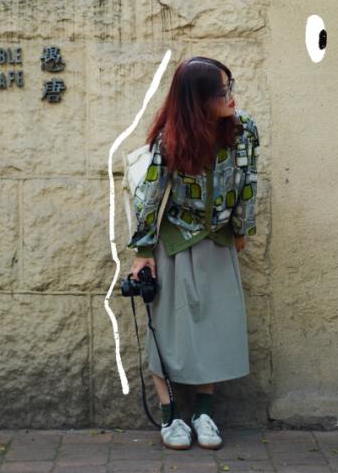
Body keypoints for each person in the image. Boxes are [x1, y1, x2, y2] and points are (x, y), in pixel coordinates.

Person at [127, 56, 260, 451]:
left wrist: (241, 230)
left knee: (215, 329)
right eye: (223, 91)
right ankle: (170, 418)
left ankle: (204, 414)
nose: (232, 97)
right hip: (173, 244)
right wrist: (143, 251)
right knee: (165, 332)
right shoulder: (171, 137)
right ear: (199, 99)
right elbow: (149, 196)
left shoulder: (244, 130)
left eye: (231, 86)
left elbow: (250, 182)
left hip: (219, 242)